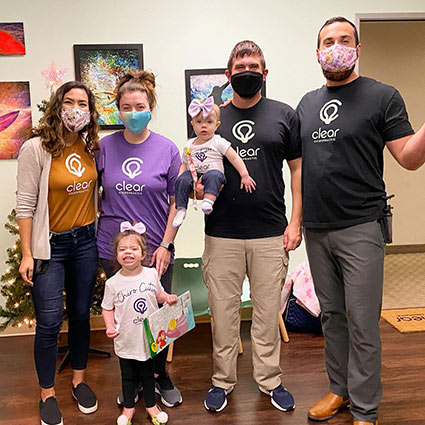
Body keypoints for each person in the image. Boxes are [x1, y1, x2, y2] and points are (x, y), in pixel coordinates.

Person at [297, 17, 425, 425]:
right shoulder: (306, 104)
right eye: (328, 41)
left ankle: (366, 409)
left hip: (361, 227)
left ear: (357, 48)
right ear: (317, 53)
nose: (336, 47)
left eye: (344, 40)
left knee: (363, 321)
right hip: (316, 229)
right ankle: (340, 390)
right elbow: (295, 164)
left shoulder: (382, 96)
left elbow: (409, 158)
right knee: (332, 316)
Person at [201, 40, 302, 413]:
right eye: (240, 67)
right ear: (228, 76)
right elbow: (197, 168)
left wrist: (296, 222)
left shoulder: (284, 115)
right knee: (223, 315)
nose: (247, 72)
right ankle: (222, 381)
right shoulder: (212, 120)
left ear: (265, 73)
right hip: (222, 234)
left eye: (254, 66)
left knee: (265, 314)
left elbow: (297, 171)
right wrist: (196, 187)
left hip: (270, 233)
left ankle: (270, 380)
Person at [96, 70, 183, 407]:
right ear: (118, 110)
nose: (134, 112)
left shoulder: (167, 149)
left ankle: (159, 376)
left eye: (140, 106)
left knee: (159, 317)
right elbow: (93, 194)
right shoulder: (104, 147)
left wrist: (166, 244)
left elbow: (178, 202)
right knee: (126, 321)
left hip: (157, 250)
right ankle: (130, 381)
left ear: (151, 107)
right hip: (115, 251)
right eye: (127, 107)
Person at [16, 81, 100, 425]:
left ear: (90, 113)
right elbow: (25, 205)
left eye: (83, 103)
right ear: (58, 106)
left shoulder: (91, 146)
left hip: (86, 242)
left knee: (81, 315)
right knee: (49, 322)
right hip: (49, 246)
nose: (76, 109)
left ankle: (79, 381)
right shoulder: (36, 148)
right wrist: (25, 253)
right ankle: (47, 393)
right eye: (70, 102)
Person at [102, 222, 178, 425]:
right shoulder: (113, 283)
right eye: (123, 249)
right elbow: (107, 307)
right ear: (117, 255)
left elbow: (159, 294)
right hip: (126, 339)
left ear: (143, 254)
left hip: (148, 339)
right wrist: (110, 326)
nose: (128, 253)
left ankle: (152, 407)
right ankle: (128, 410)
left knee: (148, 376)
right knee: (127, 377)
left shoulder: (151, 274)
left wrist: (167, 297)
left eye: (134, 249)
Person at [172, 97, 256, 228]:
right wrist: (180, 177)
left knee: (214, 176)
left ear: (217, 125)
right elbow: (184, 162)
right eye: (199, 122)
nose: (204, 126)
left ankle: (208, 201)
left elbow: (234, 158)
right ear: (192, 123)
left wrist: (244, 175)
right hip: (195, 175)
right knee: (181, 180)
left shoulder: (218, 141)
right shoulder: (189, 144)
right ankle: (181, 209)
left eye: (209, 122)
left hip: (213, 173)